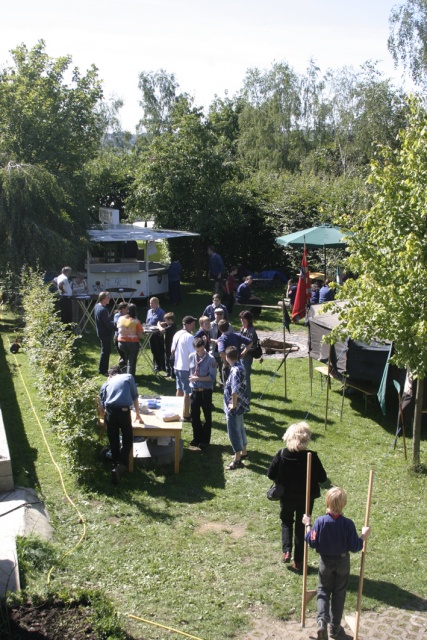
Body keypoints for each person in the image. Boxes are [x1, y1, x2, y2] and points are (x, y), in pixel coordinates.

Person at [303, 487, 371, 640]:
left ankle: (321, 621)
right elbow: (355, 546)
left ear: (327, 501)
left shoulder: (320, 522)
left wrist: (307, 524)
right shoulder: (347, 524)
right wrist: (363, 536)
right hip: (342, 562)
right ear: (343, 504)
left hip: (325, 562)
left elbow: (311, 541)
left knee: (323, 591)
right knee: (339, 593)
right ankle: (334, 628)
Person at [267, 421, 327, 570]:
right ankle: (298, 561)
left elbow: (270, 474)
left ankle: (287, 551)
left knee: (286, 521)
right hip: (306, 498)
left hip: (287, 496)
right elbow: (322, 478)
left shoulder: (281, 454)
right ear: (306, 439)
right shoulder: (311, 456)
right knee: (302, 525)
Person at [99, 365, 143, 484]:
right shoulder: (128, 376)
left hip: (110, 412)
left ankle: (115, 465)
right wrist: (138, 413)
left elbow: (101, 403)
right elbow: (134, 396)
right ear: (120, 373)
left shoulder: (106, 384)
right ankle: (121, 465)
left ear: (110, 375)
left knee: (113, 439)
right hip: (123, 411)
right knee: (128, 438)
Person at [223, 346, 249, 470]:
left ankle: (237, 459)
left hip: (235, 407)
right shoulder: (240, 366)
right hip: (241, 404)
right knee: (240, 428)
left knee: (234, 431)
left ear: (227, 357)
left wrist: (232, 405)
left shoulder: (234, 371)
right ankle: (244, 451)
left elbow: (234, 390)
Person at [188, 337, 217, 449]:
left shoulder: (211, 359)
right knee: (194, 416)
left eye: (201, 350)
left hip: (205, 391)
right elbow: (191, 372)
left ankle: (205, 440)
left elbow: (211, 377)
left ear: (204, 347)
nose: (199, 353)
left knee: (207, 416)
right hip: (194, 391)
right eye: (197, 350)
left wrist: (197, 378)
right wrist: (192, 379)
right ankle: (197, 438)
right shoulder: (191, 357)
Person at [171, 316, 197, 421]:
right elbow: (193, 354)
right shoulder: (190, 337)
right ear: (188, 324)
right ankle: (186, 414)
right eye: (192, 324)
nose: (193, 326)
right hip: (186, 367)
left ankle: (178, 411)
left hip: (177, 366)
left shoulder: (177, 334)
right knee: (187, 391)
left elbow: (172, 349)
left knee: (179, 388)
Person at [217, 319, 252, 385]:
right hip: (237, 362)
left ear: (219, 328)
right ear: (228, 327)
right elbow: (250, 342)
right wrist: (243, 353)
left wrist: (225, 363)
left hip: (228, 363)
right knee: (238, 383)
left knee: (228, 385)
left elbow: (221, 352)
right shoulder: (236, 335)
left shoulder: (221, 339)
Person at [117, 303, 144, 377]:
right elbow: (139, 335)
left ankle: (125, 374)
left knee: (127, 359)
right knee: (131, 362)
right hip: (132, 343)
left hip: (121, 343)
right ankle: (130, 379)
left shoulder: (121, 318)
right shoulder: (136, 321)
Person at [238, 310, 259, 402]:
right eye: (241, 319)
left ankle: (247, 397)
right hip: (241, 356)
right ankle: (243, 395)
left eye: (244, 319)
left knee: (246, 377)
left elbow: (251, 345)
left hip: (247, 357)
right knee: (241, 377)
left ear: (249, 319)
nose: (242, 320)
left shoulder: (251, 330)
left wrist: (244, 352)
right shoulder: (242, 328)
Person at [94, 291, 115, 375]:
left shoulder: (97, 306)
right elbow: (107, 323)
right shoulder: (103, 310)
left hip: (100, 331)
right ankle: (103, 370)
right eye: (107, 297)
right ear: (103, 299)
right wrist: (117, 328)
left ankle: (102, 369)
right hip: (105, 333)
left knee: (105, 350)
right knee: (105, 351)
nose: (109, 299)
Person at [146, 297, 166, 373]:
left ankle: (162, 366)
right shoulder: (149, 311)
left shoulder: (161, 312)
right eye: (150, 303)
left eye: (152, 303)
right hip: (150, 334)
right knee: (153, 350)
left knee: (159, 350)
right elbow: (147, 322)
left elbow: (164, 324)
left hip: (158, 334)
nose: (151, 305)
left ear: (157, 304)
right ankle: (156, 365)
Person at [158, 311, 178, 378]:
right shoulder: (171, 325)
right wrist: (165, 324)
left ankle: (172, 374)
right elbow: (166, 326)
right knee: (167, 359)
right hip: (168, 345)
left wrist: (158, 325)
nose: (165, 322)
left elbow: (162, 330)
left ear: (170, 320)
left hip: (170, 345)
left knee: (170, 360)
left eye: (166, 320)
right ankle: (168, 372)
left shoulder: (172, 327)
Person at [113, 302, 129, 366]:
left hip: (126, 337)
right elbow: (118, 324)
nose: (128, 310)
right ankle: (123, 365)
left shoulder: (128, 315)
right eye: (127, 308)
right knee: (123, 355)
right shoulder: (117, 315)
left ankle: (123, 365)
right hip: (118, 337)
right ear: (123, 309)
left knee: (125, 354)